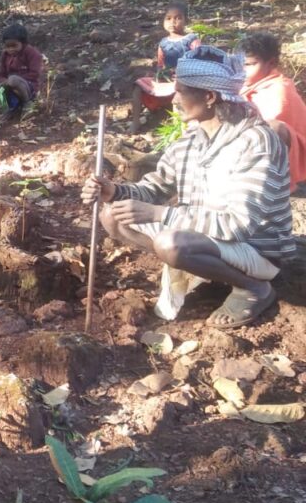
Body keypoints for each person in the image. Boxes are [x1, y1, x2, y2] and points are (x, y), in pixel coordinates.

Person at [83, 46, 294, 328]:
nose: (175, 99)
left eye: (182, 91)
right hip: (209, 237)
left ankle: (253, 288)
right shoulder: (192, 138)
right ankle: (204, 268)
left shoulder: (255, 141)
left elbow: (238, 225)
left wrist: (159, 215)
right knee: (112, 215)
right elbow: (156, 186)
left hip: (255, 248)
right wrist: (115, 192)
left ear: (209, 97)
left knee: (172, 244)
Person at [238, 32, 306, 190]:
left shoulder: (279, 89)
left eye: (249, 64)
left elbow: (270, 130)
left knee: (270, 129)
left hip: (295, 154)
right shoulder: (246, 86)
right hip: (252, 148)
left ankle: (274, 183)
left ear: (271, 63)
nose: (243, 70)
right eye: (241, 64)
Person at [129, 1, 201, 133]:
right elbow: (161, 65)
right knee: (138, 86)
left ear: (186, 20)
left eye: (178, 18)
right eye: (168, 18)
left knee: (179, 93)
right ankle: (135, 122)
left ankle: (178, 128)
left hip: (186, 80)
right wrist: (160, 74)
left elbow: (198, 61)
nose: (172, 22)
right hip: (167, 80)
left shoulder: (191, 40)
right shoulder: (163, 43)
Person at [0, 23, 43, 114]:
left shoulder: (32, 53)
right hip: (10, 85)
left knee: (13, 79)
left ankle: (28, 104)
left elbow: (35, 74)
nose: (11, 49)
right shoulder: (5, 55)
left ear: (23, 42)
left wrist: (14, 80)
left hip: (28, 87)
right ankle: (5, 108)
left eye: (14, 46)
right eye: (7, 46)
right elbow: (1, 74)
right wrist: (5, 82)